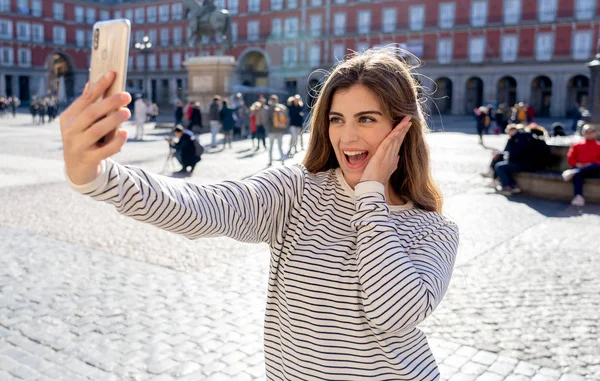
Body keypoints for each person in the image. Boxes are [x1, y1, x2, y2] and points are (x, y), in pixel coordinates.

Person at [60, 53, 459, 380]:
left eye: (366, 119)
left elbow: (394, 313)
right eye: (337, 119)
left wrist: (371, 197)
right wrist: (98, 176)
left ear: (402, 127)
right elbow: (207, 207)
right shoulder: (298, 190)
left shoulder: (434, 231)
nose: (347, 137)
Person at [494, 124, 550, 195]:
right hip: (532, 164)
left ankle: (507, 187)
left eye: (508, 131)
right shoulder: (527, 137)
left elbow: (514, 155)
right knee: (504, 166)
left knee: (499, 166)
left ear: (512, 130)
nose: (507, 133)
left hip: (525, 165)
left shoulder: (517, 139)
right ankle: (513, 185)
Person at [562, 124, 600, 206]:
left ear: (595, 133)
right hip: (581, 168)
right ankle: (578, 197)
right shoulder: (576, 145)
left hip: (594, 170)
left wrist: (589, 164)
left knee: (595, 166)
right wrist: (577, 164)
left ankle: (575, 172)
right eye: (587, 132)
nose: (589, 134)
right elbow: (570, 157)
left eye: (591, 132)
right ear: (583, 133)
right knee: (578, 176)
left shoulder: (599, 145)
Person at [266, 95, 289, 165]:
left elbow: (267, 119)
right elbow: (286, 117)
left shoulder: (269, 108)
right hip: (280, 130)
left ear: (270, 100)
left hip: (271, 130)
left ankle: (270, 161)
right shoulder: (282, 107)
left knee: (271, 146)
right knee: (280, 146)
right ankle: (282, 160)